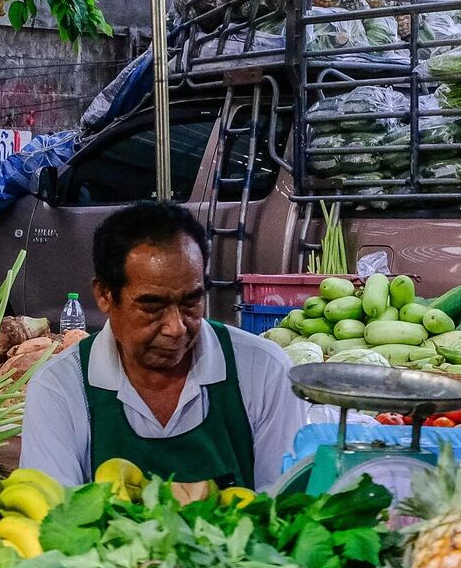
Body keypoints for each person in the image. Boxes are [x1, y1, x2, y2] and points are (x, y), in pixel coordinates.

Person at [19, 201, 303, 491]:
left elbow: (282, 507)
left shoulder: (264, 370)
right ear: (105, 295)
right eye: (152, 306)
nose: (176, 328)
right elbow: (53, 514)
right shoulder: (61, 388)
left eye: (191, 302)